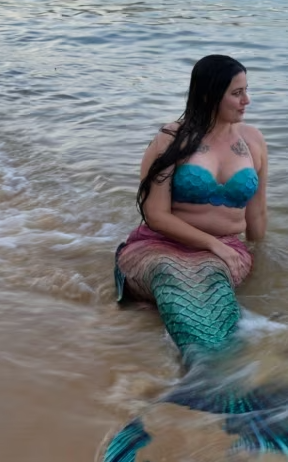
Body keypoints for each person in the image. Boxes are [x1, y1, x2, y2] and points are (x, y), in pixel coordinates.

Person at [114, 54, 268, 305]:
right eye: (236, 93)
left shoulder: (253, 141)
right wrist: (211, 244)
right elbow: (155, 215)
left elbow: (257, 214)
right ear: (209, 96)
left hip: (225, 250)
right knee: (171, 274)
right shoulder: (171, 139)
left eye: (246, 91)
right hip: (160, 246)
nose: (246, 100)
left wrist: (260, 264)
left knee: (208, 279)